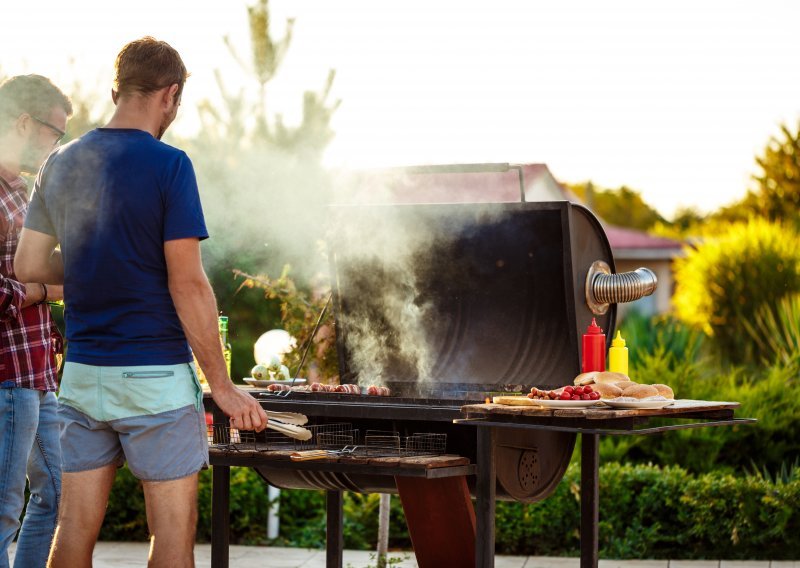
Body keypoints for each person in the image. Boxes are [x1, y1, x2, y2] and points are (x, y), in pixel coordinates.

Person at [14, 37, 267, 568]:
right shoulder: (169, 165)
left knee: (73, 531)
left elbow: (29, 266)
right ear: (170, 96)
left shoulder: (58, 163)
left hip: (82, 376)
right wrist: (221, 386)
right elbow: (189, 284)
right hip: (154, 379)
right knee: (172, 543)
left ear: (116, 90)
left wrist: (92, 267)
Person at [0, 74, 70, 568]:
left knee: (58, 494)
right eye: (54, 132)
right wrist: (45, 290)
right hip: (6, 377)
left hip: (37, 374)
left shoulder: (22, 192)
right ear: (24, 122)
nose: (57, 146)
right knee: (3, 511)